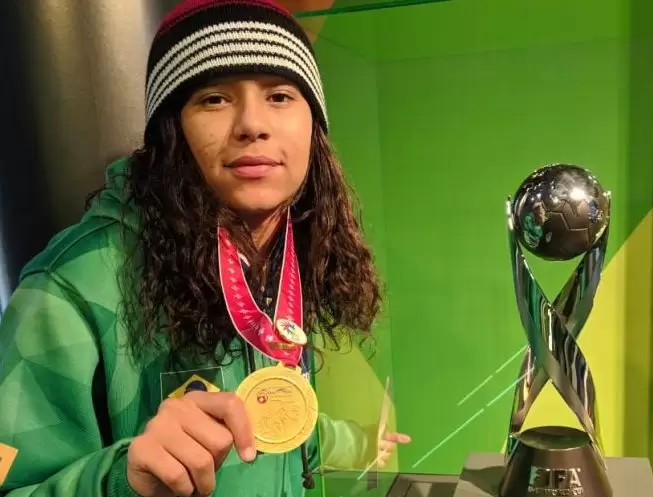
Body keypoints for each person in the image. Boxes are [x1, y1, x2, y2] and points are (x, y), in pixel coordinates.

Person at [0, 0, 411, 495]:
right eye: (214, 99)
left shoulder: (289, 254)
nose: (252, 125)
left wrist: (361, 444)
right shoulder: (71, 288)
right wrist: (122, 480)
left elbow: (270, 424)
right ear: (170, 133)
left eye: (280, 95)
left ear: (315, 128)